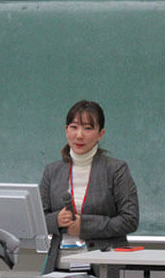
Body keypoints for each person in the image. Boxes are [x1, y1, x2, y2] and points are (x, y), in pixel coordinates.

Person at [40, 100, 139, 251]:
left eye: (87, 128)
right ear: (66, 130)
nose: (79, 135)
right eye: (74, 127)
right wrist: (56, 220)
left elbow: (130, 220)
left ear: (100, 134)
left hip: (104, 259)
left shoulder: (116, 170)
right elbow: (37, 220)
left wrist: (85, 226)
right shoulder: (52, 171)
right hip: (61, 259)